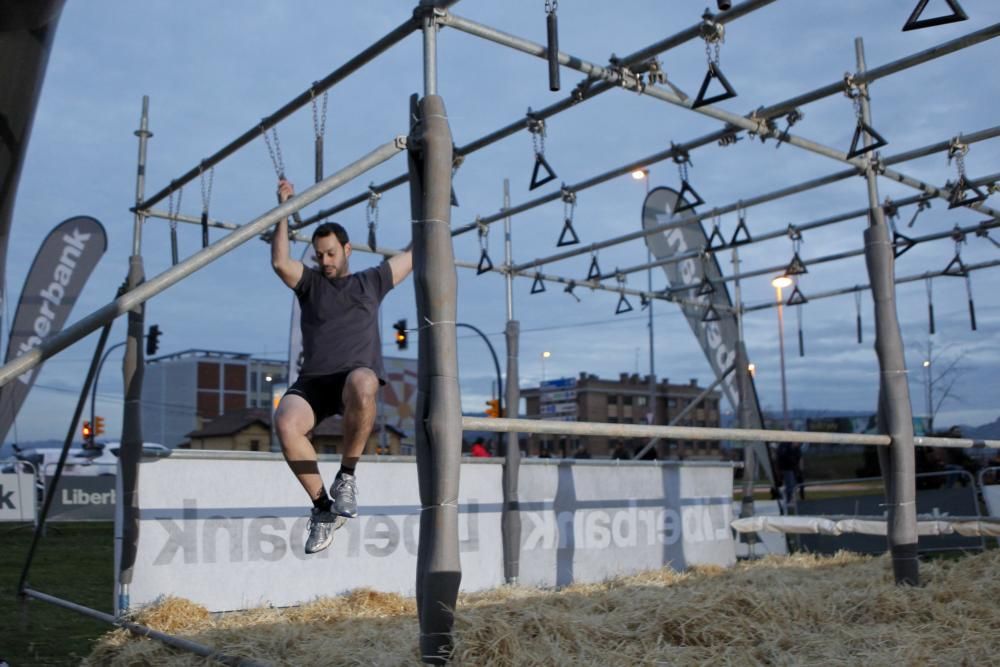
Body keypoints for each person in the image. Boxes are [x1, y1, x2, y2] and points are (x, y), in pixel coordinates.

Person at [271, 178, 412, 555]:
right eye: (320, 255)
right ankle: (321, 509)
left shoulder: (372, 281)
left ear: (347, 249)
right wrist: (284, 207)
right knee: (285, 421)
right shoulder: (311, 284)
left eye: (332, 253)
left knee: (366, 380)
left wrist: (438, 193)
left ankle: (346, 477)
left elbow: (416, 252)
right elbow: (280, 262)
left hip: (352, 380)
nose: (325, 261)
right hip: (316, 381)